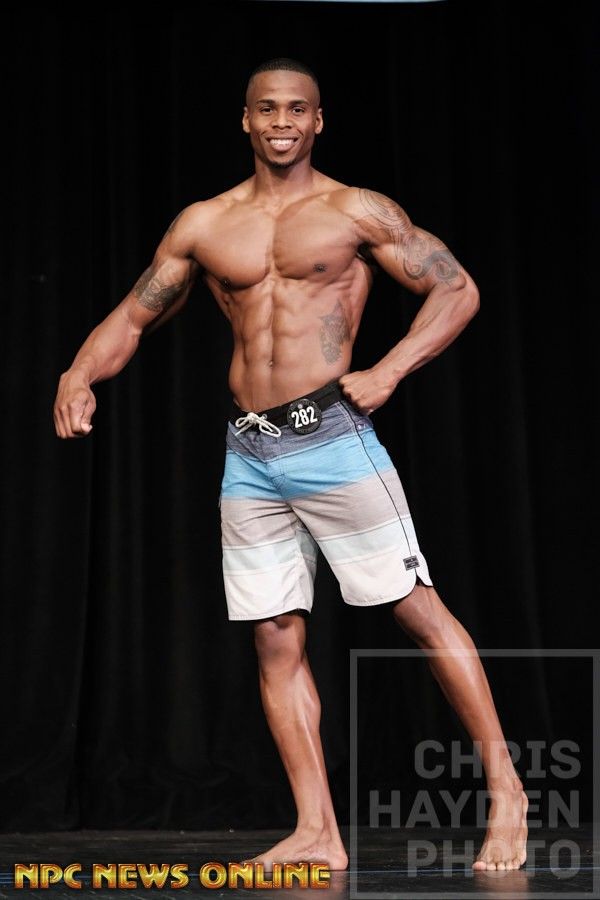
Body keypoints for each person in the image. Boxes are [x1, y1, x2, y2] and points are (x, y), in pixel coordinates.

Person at [53, 57, 528, 872]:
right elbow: (133, 316)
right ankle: (317, 832)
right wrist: (77, 372)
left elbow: (457, 289)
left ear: (317, 121)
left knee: (415, 609)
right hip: (250, 451)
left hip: (333, 438)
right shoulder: (205, 223)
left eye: (296, 109)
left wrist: (390, 369)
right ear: (246, 120)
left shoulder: (354, 210)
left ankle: (508, 791)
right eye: (267, 108)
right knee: (275, 638)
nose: (282, 121)